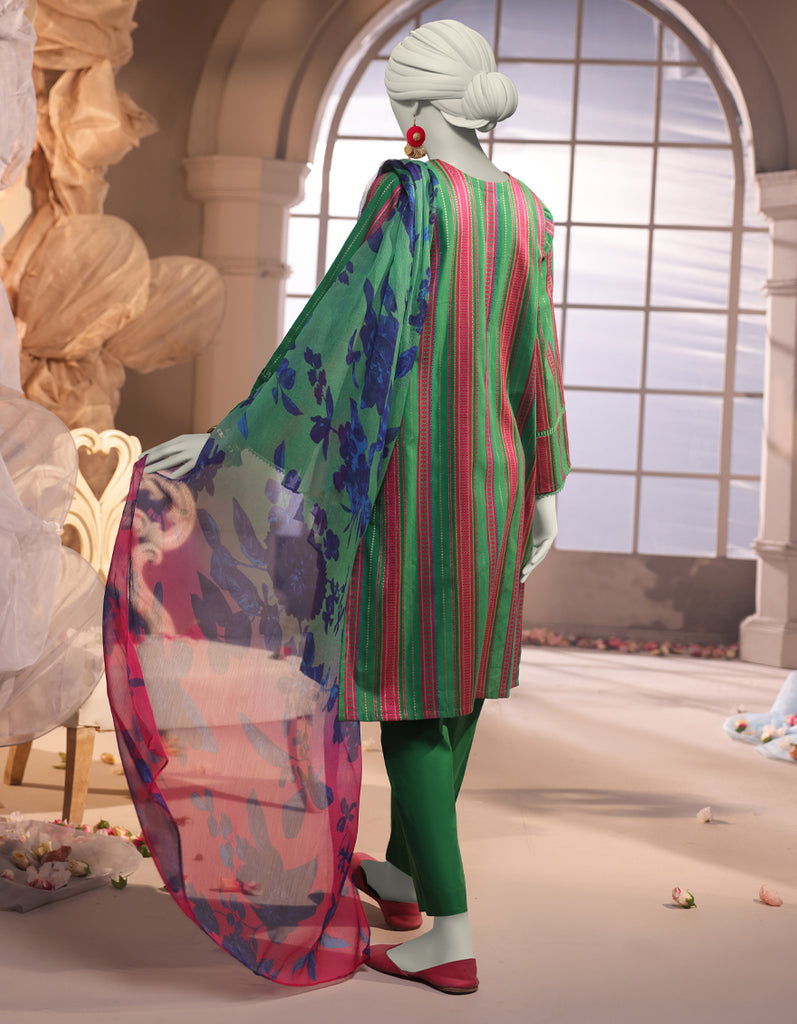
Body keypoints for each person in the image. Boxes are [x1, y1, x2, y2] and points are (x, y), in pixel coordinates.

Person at [105, 18, 569, 995]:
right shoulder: (525, 210)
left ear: (416, 108)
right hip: (494, 477)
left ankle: (448, 935)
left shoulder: (410, 196)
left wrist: (230, 442)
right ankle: (401, 881)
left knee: (408, 700)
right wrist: (544, 485)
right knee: (455, 688)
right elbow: (534, 360)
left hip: (416, 482)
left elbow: (340, 330)